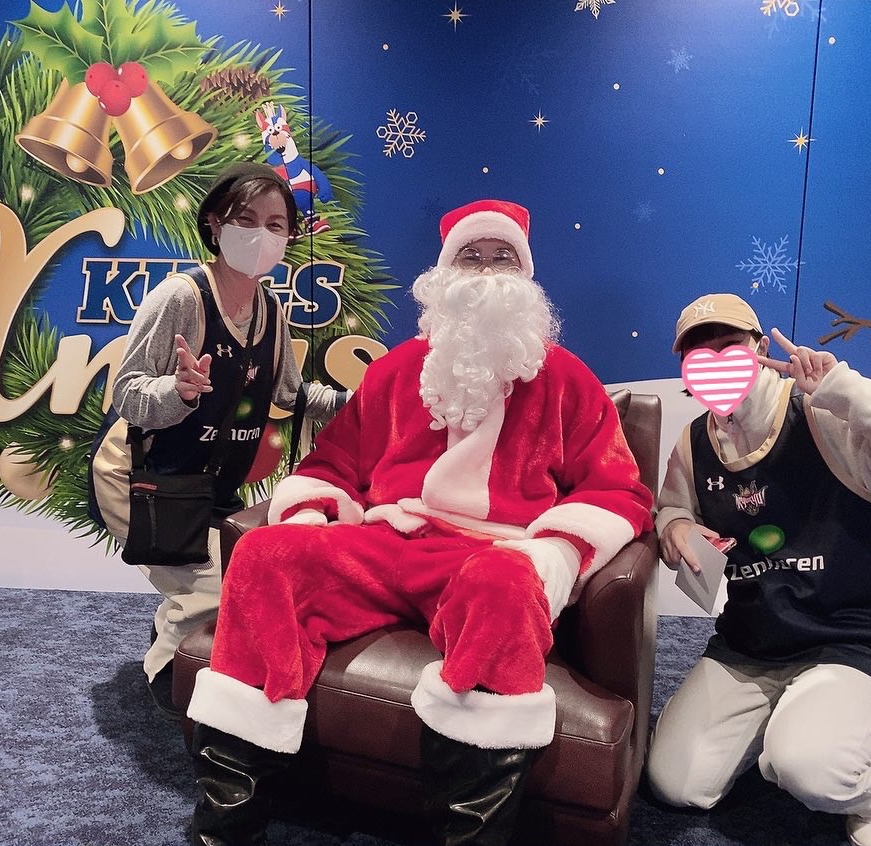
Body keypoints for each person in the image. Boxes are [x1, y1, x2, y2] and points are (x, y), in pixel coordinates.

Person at [182, 199, 655, 846]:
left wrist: (554, 552)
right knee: (266, 555)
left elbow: (618, 488)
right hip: (386, 542)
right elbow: (333, 462)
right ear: (442, 274)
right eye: (469, 257)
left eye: (501, 258)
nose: (484, 271)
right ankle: (227, 828)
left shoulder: (567, 380)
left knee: (503, 587)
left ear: (525, 276)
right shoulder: (397, 369)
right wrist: (314, 512)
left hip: (490, 556)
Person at [646, 293, 871, 846]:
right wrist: (675, 526)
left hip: (855, 635)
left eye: (729, 345)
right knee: (677, 784)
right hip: (754, 641)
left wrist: (848, 392)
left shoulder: (825, 414)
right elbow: (674, 507)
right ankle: (799, 717)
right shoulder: (695, 442)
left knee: (808, 768)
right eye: (699, 353)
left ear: (758, 347)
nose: (716, 362)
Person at [95, 162, 349, 719]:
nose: (261, 235)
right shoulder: (180, 296)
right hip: (144, 476)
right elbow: (128, 394)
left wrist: (358, 403)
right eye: (246, 219)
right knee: (213, 589)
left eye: (276, 225)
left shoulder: (271, 310)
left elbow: (290, 393)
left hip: (211, 482)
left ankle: (181, 629)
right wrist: (178, 391)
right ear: (214, 223)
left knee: (242, 575)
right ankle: (172, 683)